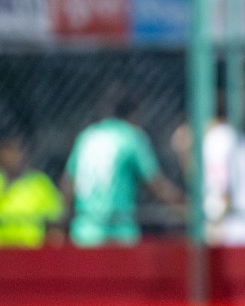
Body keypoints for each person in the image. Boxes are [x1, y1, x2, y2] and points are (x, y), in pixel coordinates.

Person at [63, 95, 183, 247]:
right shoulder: (131, 136)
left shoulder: (86, 136)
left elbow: (68, 184)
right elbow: (156, 184)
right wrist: (183, 206)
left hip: (84, 233)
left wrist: (60, 223)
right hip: (118, 234)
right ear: (133, 115)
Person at [172, 91, 245, 247]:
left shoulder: (217, 139)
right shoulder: (236, 137)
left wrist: (212, 232)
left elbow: (223, 195)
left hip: (230, 237)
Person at [0, 137, 63, 248]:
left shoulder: (40, 183)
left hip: (31, 252)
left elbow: (55, 224)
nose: (16, 155)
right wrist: (6, 183)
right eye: (9, 149)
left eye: (20, 149)